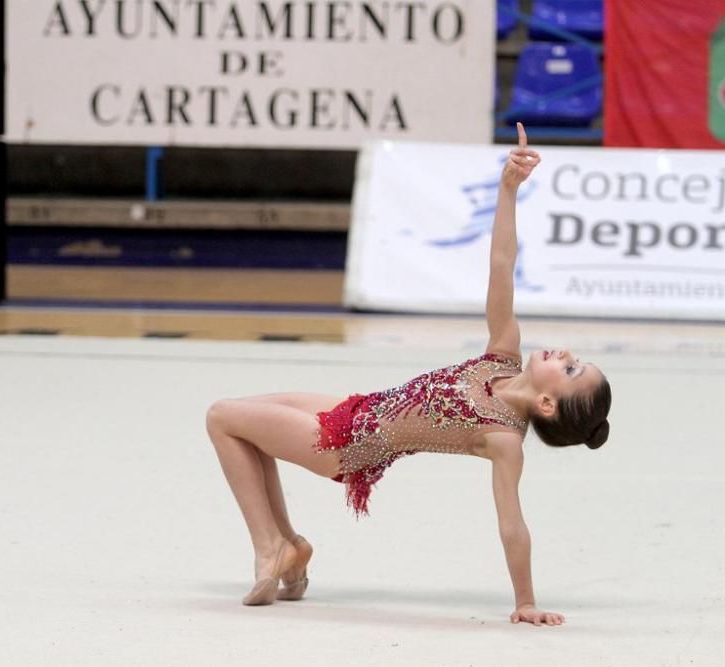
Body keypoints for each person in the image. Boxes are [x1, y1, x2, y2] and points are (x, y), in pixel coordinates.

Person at [205, 123, 612, 626]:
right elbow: (502, 264)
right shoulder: (503, 354)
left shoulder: (504, 437)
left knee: (222, 416)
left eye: (571, 368)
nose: (566, 353)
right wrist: (508, 189)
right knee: (244, 426)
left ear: (548, 404)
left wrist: (524, 601)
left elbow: (512, 521)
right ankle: (287, 545)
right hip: (350, 409)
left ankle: (270, 546)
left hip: (344, 448)